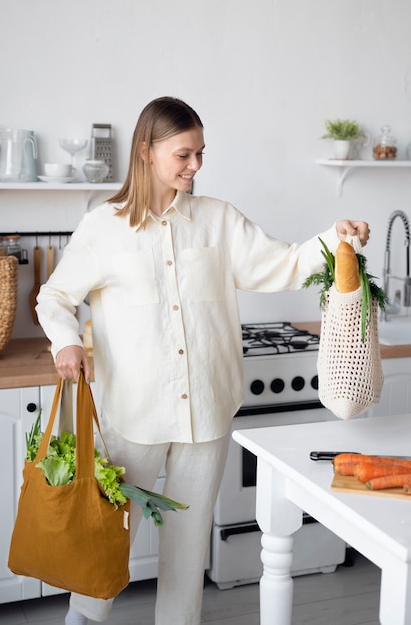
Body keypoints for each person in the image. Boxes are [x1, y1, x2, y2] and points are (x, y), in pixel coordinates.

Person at [36, 96, 370, 625]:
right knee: (107, 537)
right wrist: (66, 341)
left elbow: (282, 265)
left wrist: (335, 239)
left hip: (207, 415)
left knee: (187, 552)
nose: (196, 166)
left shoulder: (217, 221)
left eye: (200, 154)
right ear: (146, 152)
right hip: (134, 418)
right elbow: (53, 297)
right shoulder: (103, 228)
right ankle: (83, 619)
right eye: (184, 154)